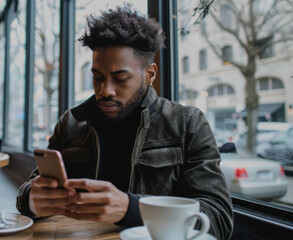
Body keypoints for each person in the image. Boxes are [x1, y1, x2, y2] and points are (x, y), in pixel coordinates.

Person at [16, 5, 233, 240]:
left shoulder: (187, 124)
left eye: (120, 79)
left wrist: (131, 209)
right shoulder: (70, 123)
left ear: (149, 74)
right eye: (97, 77)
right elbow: (28, 190)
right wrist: (32, 200)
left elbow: (219, 219)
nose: (105, 90)